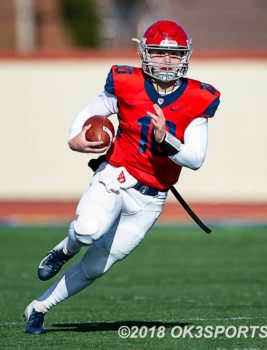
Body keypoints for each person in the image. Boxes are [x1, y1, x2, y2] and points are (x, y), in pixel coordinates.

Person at [24, 19, 220, 334]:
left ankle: (39, 307)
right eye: (158, 53)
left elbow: (195, 159)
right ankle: (66, 248)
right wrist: (76, 138)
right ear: (145, 53)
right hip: (117, 175)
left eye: (173, 55)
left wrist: (165, 139)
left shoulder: (198, 97)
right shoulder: (127, 82)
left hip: (151, 198)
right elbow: (92, 110)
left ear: (185, 56)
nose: (166, 61)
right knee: (89, 230)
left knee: (97, 266)